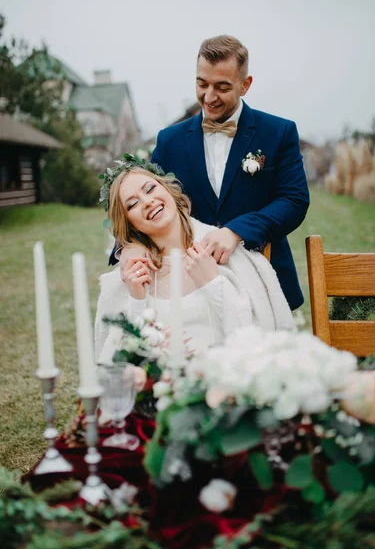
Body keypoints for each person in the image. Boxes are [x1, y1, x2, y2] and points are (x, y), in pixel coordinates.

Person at [133, 35, 309, 311]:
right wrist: (128, 247)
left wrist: (237, 231)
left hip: (264, 284)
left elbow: (294, 201)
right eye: (202, 84)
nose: (209, 96)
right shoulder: (169, 140)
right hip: (190, 289)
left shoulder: (279, 132)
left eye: (222, 87)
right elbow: (140, 200)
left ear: (245, 85)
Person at [95, 164, 294, 364]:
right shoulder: (131, 275)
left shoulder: (224, 252)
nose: (147, 201)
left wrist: (211, 282)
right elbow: (129, 359)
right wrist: (137, 299)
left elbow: (249, 336)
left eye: (150, 189)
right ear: (128, 222)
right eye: (132, 204)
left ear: (168, 189)